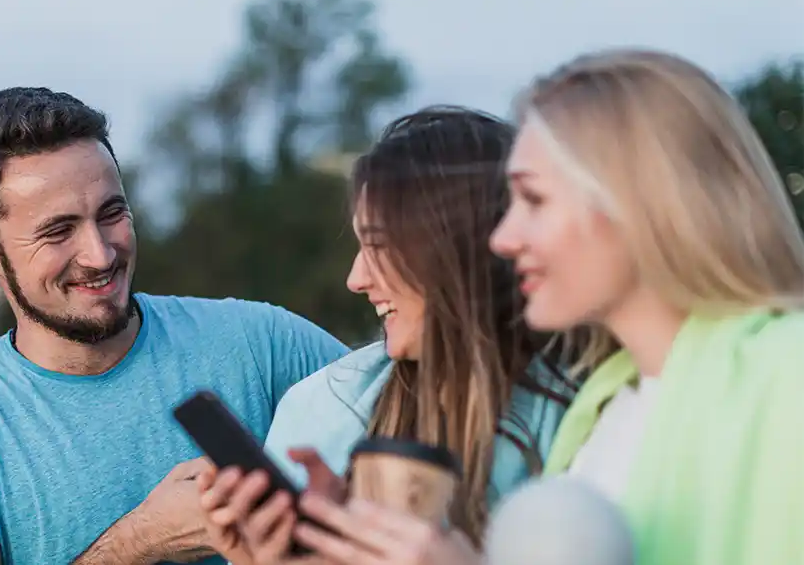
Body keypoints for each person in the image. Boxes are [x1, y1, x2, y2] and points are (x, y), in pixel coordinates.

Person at [0, 87, 349, 565]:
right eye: (58, 231)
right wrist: (140, 540)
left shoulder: (265, 344)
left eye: (112, 214)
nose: (100, 254)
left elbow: (417, 451)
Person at [198, 107, 575, 565]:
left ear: (456, 251)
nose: (355, 279)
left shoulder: (585, 416)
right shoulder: (325, 407)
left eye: (378, 245)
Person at [489, 48, 804, 565]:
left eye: (535, 200)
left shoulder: (790, 379)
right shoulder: (601, 409)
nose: (503, 238)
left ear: (636, 200)